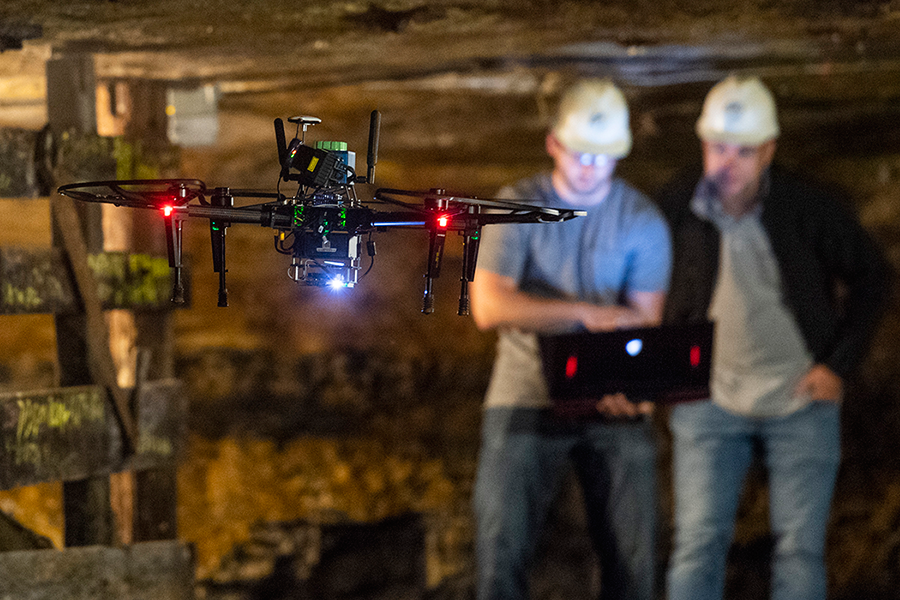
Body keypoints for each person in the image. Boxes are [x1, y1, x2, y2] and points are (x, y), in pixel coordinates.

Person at [658, 75, 890, 600]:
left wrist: (839, 365)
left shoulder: (806, 207)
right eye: (718, 147)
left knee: (799, 551)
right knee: (697, 544)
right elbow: (645, 281)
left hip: (799, 399)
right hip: (710, 397)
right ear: (703, 145)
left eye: (743, 150)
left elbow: (872, 277)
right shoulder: (677, 205)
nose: (728, 163)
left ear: (768, 151)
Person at [469, 78, 672, 600]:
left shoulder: (642, 222)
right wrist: (589, 314)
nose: (589, 166)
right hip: (527, 394)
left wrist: (630, 385)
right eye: (580, 152)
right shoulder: (517, 205)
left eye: (602, 156)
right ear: (554, 143)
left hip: (608, 397)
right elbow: (489, 306)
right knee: (500, 558)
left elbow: (644, 324)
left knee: (634, 565)